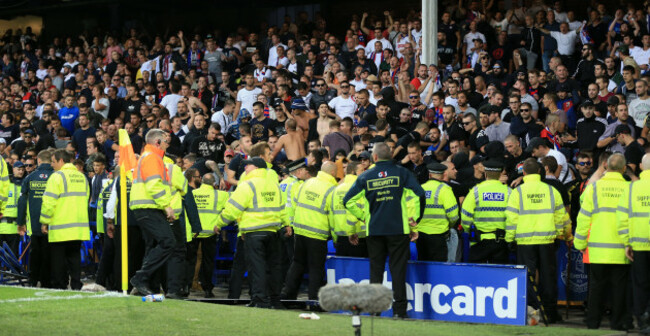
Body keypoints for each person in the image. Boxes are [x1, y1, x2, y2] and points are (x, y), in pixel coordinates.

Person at [344, 143, 425, 319]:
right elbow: (419, 194)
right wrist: (414, 221)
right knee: (398, 271)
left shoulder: (366, 176)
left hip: (375, 230)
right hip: (398, 230)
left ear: (374, 158)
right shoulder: (402, 173)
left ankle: (374, 310)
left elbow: (348, 200)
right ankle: (399, 312)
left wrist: (364, 217)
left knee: (376, 271)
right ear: (391, 156)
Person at [215, 157, 289, 309]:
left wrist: (219, 223)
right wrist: (286, 224)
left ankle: (260, 300)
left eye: (248, 166)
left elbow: (233, 209)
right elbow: (282, 208)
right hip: (273, 231)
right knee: (273, 267)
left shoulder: (247, 185)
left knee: (257, 268)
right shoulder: (274, 185)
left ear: (255, 168)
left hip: (254, 232)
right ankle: (274, 299)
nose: (245, 169)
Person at [505, 158, 572, 323]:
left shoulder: (517, 192)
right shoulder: (551, 191)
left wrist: (509, 239)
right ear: (540, 172)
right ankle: (549, 313)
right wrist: (564, 235)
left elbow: (511, 219)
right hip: (547, 240)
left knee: (527, 278)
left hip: (524, 242)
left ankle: (531, 311)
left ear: (524, 173)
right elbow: (562, 217)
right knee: (548, 278)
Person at [575, 153, 630, 331]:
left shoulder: (594, 188)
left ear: (606, 167)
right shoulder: (630, 189)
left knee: (596, 288)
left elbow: (583, 218)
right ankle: (618, 323)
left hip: (597, 248)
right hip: (622, 248)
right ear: (624, 168)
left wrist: (580, 242)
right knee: (619, 288)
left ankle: (593, 323)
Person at [128, 129, 176, 296]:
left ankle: (147, 285)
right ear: (157, 142)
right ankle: (141, 278)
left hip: (145, 207)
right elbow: (154, 185)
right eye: (165, 141)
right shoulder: (152, 158)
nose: (167, 144)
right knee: (168, 242)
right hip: (149, 207)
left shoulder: (149, 157)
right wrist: (166, 206)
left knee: (153, 246)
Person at [282, 161, 337, 303]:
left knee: (297, 264)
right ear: (332, 173)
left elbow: (293, 203)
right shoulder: (332, 189)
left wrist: (291, 223)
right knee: (316, 269)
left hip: (300, 231)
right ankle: (314, 301)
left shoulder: (306, 183)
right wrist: (335, 237)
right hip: (317, 234)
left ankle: (288, 297)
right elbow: (333, 215)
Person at [40, 148, 90, 290]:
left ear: (61, 161)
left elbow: (49, 202)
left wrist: (45, 221)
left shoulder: (56, 177)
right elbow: (86, 199)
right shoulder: (82, 177)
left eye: (54, 162)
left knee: (58, 262)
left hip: (60, 228)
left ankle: (60, 286)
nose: (52, 165)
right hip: (78, 228)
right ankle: (75, 285)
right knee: (74, 259)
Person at [617, 154, 650, 332]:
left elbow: (622, 219)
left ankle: (641, 319)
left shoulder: (631, 189)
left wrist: (626, 242)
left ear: (640, 167)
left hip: (638, 244)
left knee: (640, 284)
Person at [461, 160, 511, 264]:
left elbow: (465, 216)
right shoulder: (509, 192)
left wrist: (469, 231)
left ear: (485, 173)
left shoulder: (475, 191)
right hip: (501, 241)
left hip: (479, 241)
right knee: (499, 276)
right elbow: (514, 217)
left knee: (477, 275)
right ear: (500, 174)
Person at [17, 149, 53, 287]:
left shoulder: (30, 177)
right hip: (51, 223)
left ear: (38, 160)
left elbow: (21, 201)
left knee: (35, 251)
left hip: (34, 224)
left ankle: (33, 279)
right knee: (49, 252)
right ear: (51, 160)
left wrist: (20, 222)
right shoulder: (55, 176)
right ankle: (46, 281)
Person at [190, 173, 229, 298]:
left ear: (201, 181)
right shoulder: (221, 195)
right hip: (211, 232)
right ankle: (207, 289)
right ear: (214, 183)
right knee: (208, 262)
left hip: (193, 232)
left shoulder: (193, 193)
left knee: (190, 260)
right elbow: (229, 210)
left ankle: (185, 286)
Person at [416, 162, 459, 262]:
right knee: (438, 268)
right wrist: (450, 226)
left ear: (429, 175)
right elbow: (453, 215)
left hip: (421, 236)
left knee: (423, 266)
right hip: (438, 236)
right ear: (444, 175)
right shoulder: (445, 190)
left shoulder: (420, 188)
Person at [332, 161, 367, 258]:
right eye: (361, 170)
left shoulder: (337, 189)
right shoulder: (360, 188)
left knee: (342, 272)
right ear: (353, 172)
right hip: (358, 237)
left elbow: (332, 215)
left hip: (341, 238)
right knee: (361, 272)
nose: (364, 172)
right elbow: (353, 213)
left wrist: (334, 238)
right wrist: (351, 232)